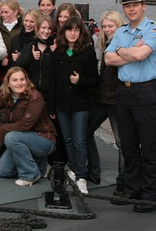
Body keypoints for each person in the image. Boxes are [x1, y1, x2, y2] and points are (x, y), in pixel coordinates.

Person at [105, 0, 156, 212]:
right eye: (127, 6)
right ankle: (132, 188)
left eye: (135, 5)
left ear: (143, 6)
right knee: (129, 146)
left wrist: (122, 51)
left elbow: (141, 56)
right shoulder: (121, 31)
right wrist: (128, 51)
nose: (130, 9)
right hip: (125, 93)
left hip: (146, 93)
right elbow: (108, 59)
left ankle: (150, 196)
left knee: (149, 146)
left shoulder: (155, 29)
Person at [47, 16, 98, 195]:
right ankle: (74, 170)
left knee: (79, 140)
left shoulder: (87, 52)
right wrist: (51, 107)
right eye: (70, 30)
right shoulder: (57, 53)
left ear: (81, 32)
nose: (73, 33)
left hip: (80, 104)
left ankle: (81, 176)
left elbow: (94, 80)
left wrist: (80, 80)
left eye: (76, 30)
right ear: (64, 32)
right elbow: (51, 82)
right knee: (67, 139)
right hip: (61, 104)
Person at [0, 67, 56, 187]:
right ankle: (40, 166)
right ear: (8, 83)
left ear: (27, 80)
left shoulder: (35, 97)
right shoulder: (7, 95)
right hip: (23, 139)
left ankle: (30, 174)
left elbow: (25, 125)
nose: (19, 83)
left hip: (44, 139)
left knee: (10, 137)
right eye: (15, 80)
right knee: (2, 172)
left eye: (22, 79)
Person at [86, 11, 125, 195]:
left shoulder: (124, 44)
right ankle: (93, 171)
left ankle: (123, 182)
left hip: (116, 100)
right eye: (105, 26)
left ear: (119, 25)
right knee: (85, 131)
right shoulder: (106, 44)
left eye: (111, 26)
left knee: (121, 143)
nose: (108, 29)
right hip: (103, 98)